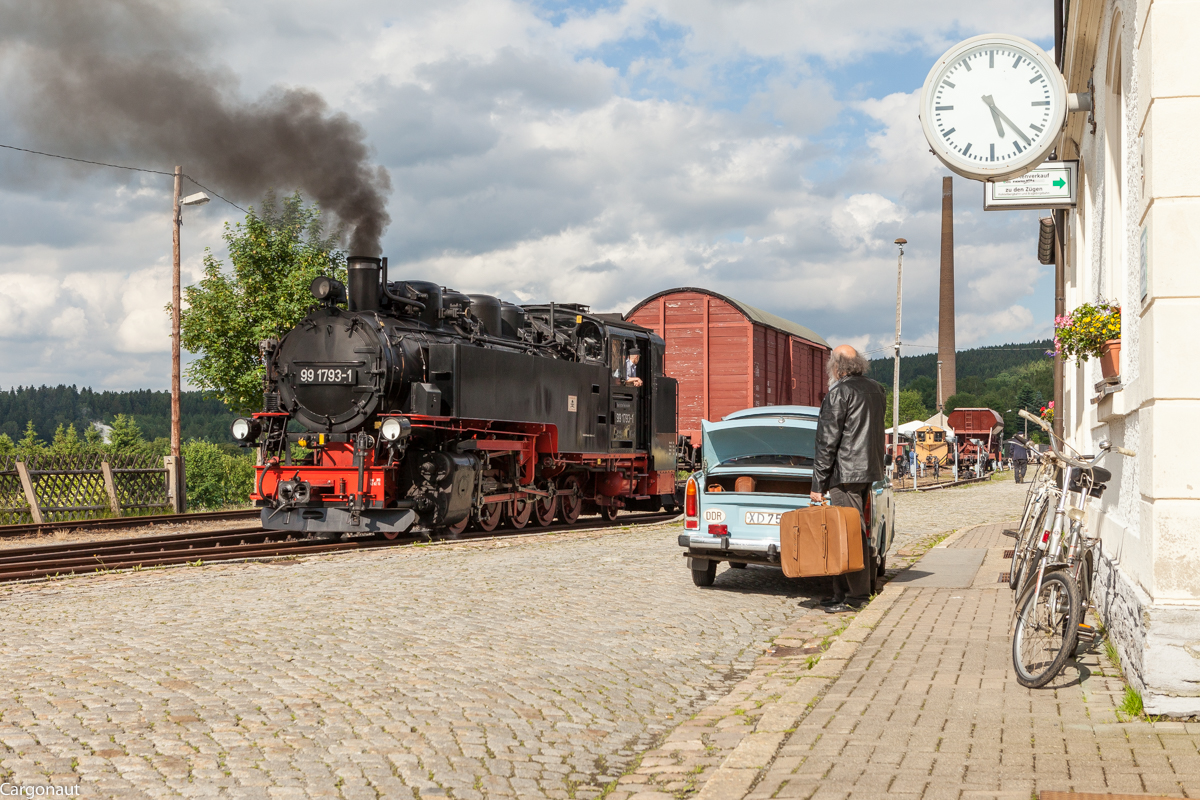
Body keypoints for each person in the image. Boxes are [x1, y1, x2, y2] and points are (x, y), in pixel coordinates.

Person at [810, 344, 886, 613]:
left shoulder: (839, 392)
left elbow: (827, 441)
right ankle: (840, 592)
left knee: (850, 534)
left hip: (845, 473)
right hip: (869, 470)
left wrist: (818, 485)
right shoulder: (876, 389)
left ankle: (856, 597)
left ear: (837, 368)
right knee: (851, 531)